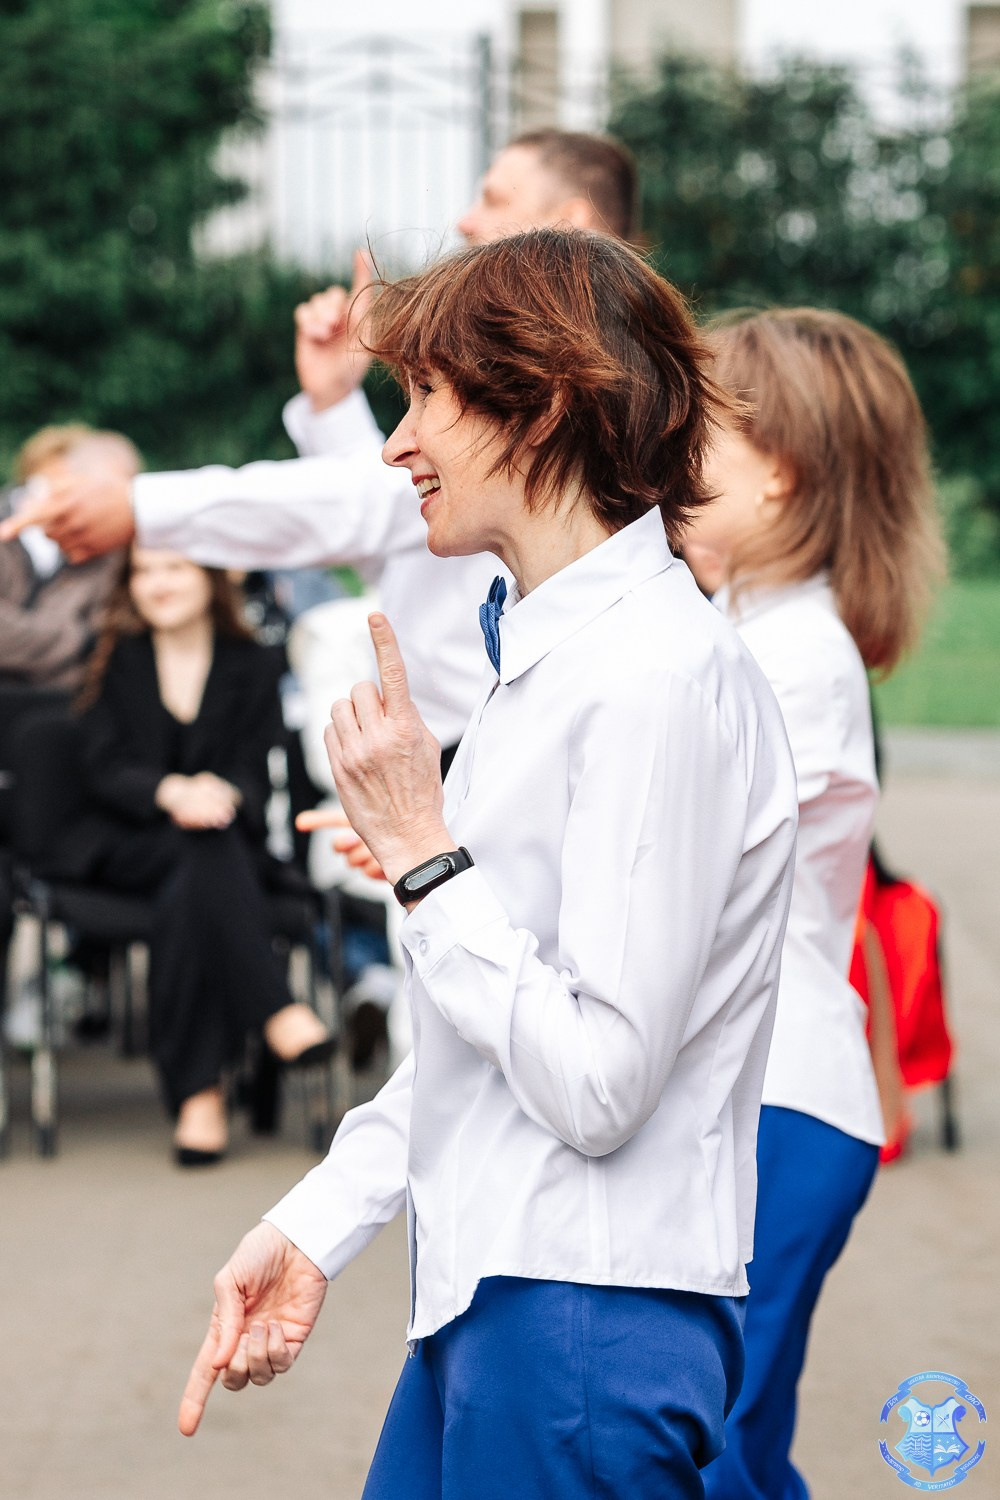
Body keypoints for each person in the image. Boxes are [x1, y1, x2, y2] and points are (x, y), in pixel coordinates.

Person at [176, 228, 799, 1498]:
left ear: (547, 405)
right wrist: (316, 1221)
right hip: (507, 1294)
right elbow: (491, 1039)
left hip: (581, 1316)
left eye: (427, 399)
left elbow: (598, 1080)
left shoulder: (650, 676)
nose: (396, 443)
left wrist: (421, 854)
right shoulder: (568, 655)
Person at [0, 131, 639, 769]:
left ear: (571, 220)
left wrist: (140, 505)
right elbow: (395, 519)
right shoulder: (590, 375)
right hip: (463, 754)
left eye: (494, 198)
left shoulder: (589, 385)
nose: (465, 219)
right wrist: (334, 406)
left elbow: (365, 503)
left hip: (490, 752)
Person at [683, 308, 945, 1500]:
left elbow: (677, 861)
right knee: (732, 1440)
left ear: (779, 476)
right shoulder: (754, 633)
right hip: (769, 1092)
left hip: (777, 1099)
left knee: (707, 1440)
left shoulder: (793, 658)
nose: (662, 456)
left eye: (694, 437)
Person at [59, 547, 335, 1165]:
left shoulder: (255, 662)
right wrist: (171, 791)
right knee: (200, 853)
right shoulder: (111, 657)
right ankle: (275, 1009)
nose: (156, 584)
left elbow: (256, 771)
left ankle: (198, 1095)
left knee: (193, 882)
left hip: (218, 840)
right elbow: (100, 768)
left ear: (213, 576)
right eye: (143, 571)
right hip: (127, 839)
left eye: (173, 569)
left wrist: (223, 792)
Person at [0, 424, 139, 693]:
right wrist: (75, 640)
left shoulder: (113, 555)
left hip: (62, 700)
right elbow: (85, 640)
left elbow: (105, 638)